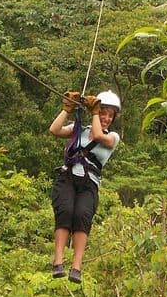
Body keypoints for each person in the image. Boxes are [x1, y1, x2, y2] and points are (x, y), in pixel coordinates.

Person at [48, 89, 121, 283]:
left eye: (109, 115)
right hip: (68, 177)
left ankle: (77, 266)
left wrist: (95, 112)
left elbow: (97, 135)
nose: (105, 118)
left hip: (89, 183)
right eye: (102, 112)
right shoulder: (80, 128)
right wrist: (67, 109)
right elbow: (54, 130)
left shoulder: (112, 137)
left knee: (81, 215)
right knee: (65, 211)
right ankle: (58, 261)